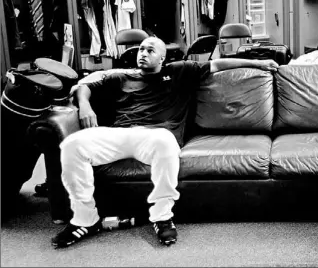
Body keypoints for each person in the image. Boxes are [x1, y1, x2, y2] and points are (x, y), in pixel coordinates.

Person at [52, 36, 278, 248]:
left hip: (157, 135)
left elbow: (220, 64)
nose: (143, 53)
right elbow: (84, 86)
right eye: (141, 49)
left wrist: (260, 63)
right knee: (72, 145)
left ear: (162, 58)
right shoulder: (120, 76)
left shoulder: (181, 70)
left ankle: (162, 217)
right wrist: (85, 105)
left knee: (165, 141)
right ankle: (84, 219)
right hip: (119, 134)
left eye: (151, 50)